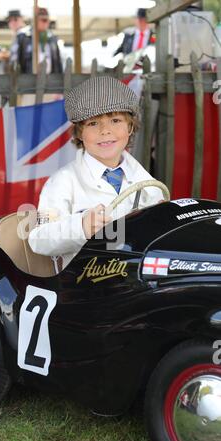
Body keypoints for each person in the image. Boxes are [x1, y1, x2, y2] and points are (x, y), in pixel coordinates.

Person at [28, 76, 164, 270]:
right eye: (93, 123)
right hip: (86, 286)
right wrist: (81, 227)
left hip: (136, 282)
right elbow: (38, 238)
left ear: (130, 127)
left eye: (115, 120)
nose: (105, 131)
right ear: (79, 134)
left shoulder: (147, 183)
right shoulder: (61, 182)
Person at [17, 7, 62, 74]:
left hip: (50, 80)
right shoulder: (23, 36)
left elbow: (58, 62)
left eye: (47, 20)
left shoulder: (52, 38)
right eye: (43, 20)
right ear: (35, 21)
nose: (46, 23)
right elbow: (17, 61)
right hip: (29, 80)